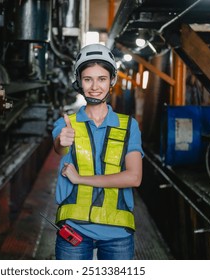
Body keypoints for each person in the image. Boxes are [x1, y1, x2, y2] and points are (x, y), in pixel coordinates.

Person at [52, 43, 144, 260]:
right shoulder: (66, 123)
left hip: (117, 234)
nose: (95, 86)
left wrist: (81, 179)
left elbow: (134, 177)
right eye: (88, 79)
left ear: (112, 81)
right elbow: (59, 148)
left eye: (101, 78)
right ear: (79, 82)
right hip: (74, 229)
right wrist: (62, 141)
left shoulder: (129, 126)